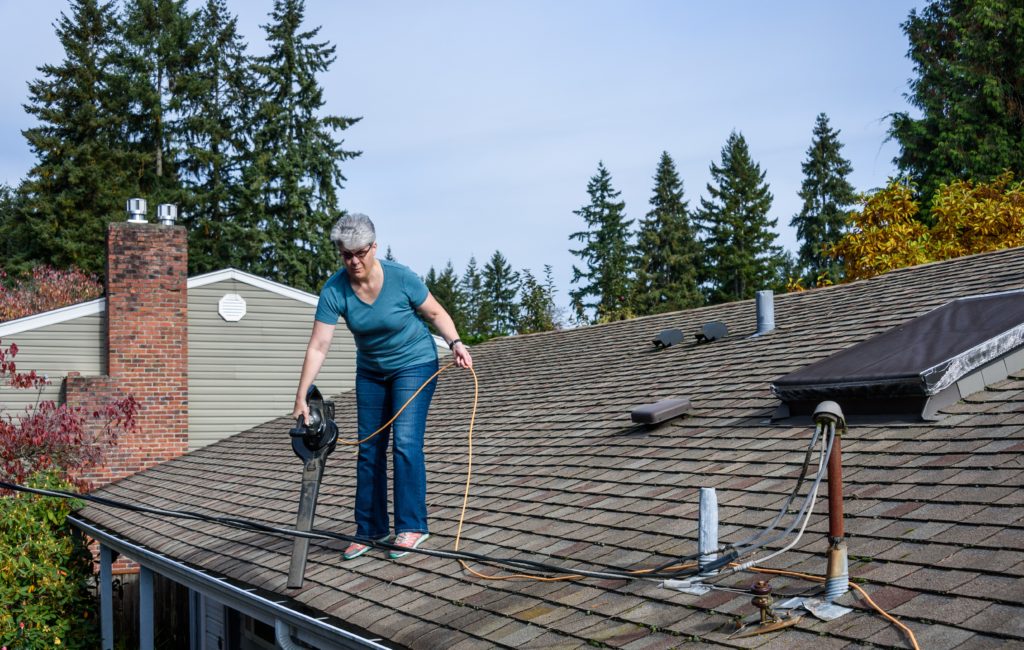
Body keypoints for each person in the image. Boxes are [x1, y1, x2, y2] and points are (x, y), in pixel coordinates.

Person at [293, 213, 472, 560]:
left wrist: (456, 343)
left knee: (404, 441)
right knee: (369, 448)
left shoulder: (401, 278)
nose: (354, 261)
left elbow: (436, 314)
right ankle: (370, 530)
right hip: (372, 372)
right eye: (346, 255)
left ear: (374, 247)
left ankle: (412, 527)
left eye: (361, 252)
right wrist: (301, 396)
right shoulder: (334, 290)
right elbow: (318, 346)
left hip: (414, 364)